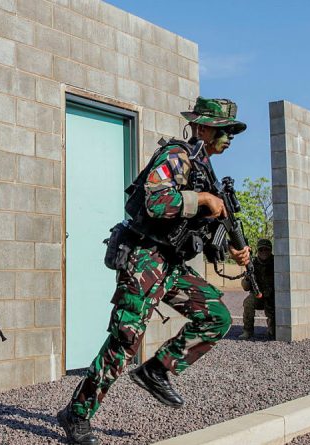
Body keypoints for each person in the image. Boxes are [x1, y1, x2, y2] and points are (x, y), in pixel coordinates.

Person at [57, 97, 252, 445]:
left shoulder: (204, 169)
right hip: (145, 257)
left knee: (217, 317)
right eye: (224, 131)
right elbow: (156, 202)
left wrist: (230, 246)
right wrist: (204, 201)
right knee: (125, 339)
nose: (229, 138)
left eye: (233, 133)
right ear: (203, 127)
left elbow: (199, 235)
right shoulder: (176, 156)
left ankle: (157, 370)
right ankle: (77, 414)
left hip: (171, 263)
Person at [239, 238, 275, 340]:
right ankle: (247, 331)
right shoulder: (252, 264)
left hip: (272, 298)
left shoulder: (276, 263)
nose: (264, 252)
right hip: (258, 297)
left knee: (273, 335)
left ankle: (271, 328)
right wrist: (247, 278)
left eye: (266, 249)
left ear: (270, 250)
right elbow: (245, 288)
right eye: (261, 250)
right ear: (257, 251)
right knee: (248, 302)